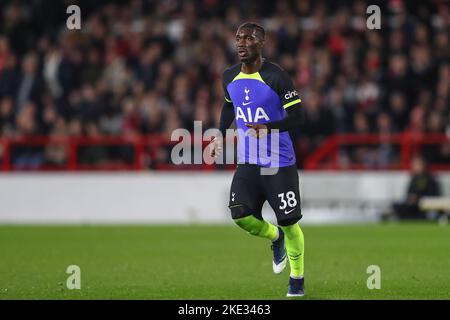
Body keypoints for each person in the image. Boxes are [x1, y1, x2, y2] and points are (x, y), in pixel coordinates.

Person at [210, 22, 305, 297]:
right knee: (240, 213)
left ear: (261, 43)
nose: (241, 43)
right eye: (238, 38)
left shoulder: (277, 77)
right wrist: (219, 134)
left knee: (290, 222)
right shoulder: (229, 77)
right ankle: (274, 238)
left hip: (279, 162)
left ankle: (297, 280)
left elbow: (298, 117)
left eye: (248, 38)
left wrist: (269, 127)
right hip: (249, 161)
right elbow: (229, 106)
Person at [384, 155, 441, 220]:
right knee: (396, 205)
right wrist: (411, 198)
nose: (414, 166)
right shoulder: (414, 179)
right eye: (414, 164)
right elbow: (408, 193)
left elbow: (434, 195)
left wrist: (418, 198)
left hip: (423, 204)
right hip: (413, 204)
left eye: (417, 164)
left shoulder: (430, 179)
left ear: (423, 165)